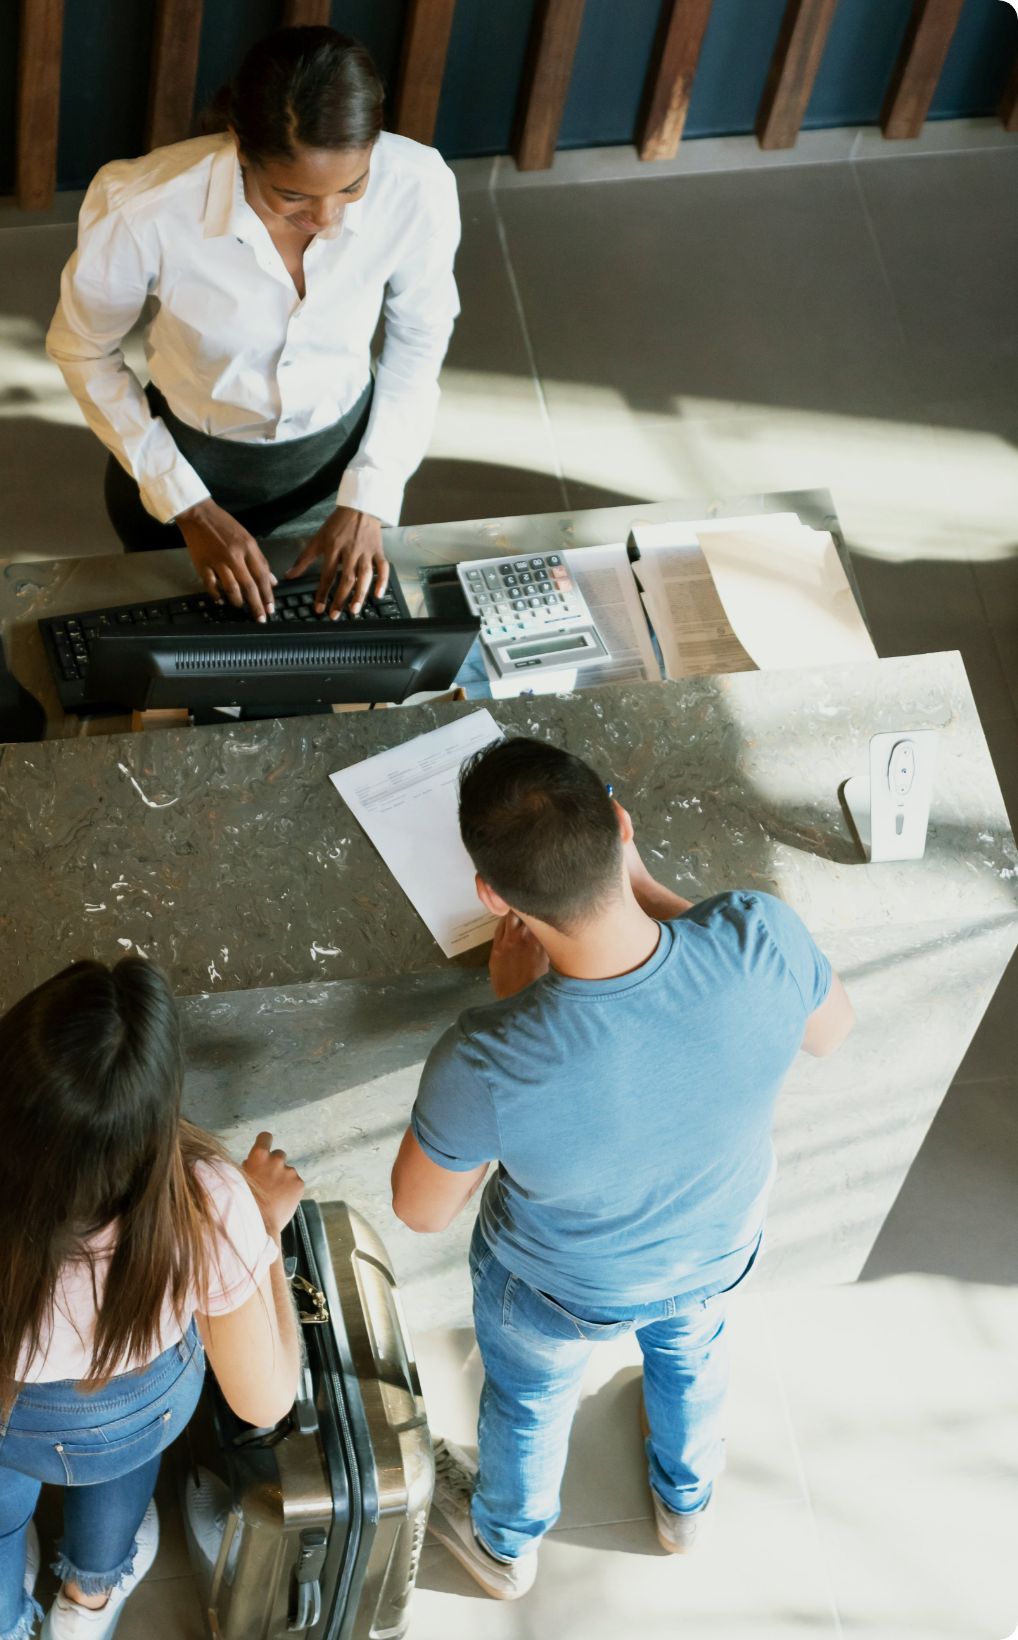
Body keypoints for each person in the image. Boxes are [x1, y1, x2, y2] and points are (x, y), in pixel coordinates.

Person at [390, 737, 854, 1600]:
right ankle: (686, 1505)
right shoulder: (761, 933)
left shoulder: (487, 1057)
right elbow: (829, 1030)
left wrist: (515, 1007)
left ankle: (504, 1545)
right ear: (621, 824)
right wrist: (643, 891)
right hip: (717, 1250)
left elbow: (421, 1212)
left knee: (529, 1403)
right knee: (692, 1354)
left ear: (494, 897)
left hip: (562, 1291)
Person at [0, 958, 307, 1640]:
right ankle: (87, 1604)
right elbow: (265, 1400)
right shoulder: (211, 1201)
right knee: (116, 1485)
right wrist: (260, 1229)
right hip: (116, 1407)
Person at [46, 26, 460, 623]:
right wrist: (186, 505)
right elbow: (82, 349)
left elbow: (419, 340)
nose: (325, 217)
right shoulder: (144, 206)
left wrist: (369, 498)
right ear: (241, 148)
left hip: (338, 472)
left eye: (352, 187)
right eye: (292, 195)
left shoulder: (417, 184)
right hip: (185, 466)